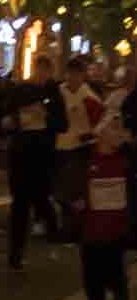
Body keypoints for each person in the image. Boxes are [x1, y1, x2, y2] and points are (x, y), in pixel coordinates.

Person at [67, 111, 133, 300]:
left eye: (123, 128)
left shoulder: (129, 158)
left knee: (113, 270)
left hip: (119, 232)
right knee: (92, 280)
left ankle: (119, 286)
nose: (121, 133)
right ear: (100, 132)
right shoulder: (83, 158)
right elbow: (66, 183)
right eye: (115, 128)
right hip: (91, 232)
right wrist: (74, 199)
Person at [4, 55, 64, 268]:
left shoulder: (54, 93)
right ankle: (15, 252)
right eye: (39, 70)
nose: (41, 75)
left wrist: (46, 115)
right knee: (19, 203)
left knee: (41, 199)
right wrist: (12, 121)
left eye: (45, 71)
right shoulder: (20, 90)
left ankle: (53, 230)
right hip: (20, 154)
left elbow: (62, 124)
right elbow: (7, 116)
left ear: (50, 72)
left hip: (42, 156)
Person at [55, 52, 103, 222]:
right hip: (60, 146)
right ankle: (68, 220)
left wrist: (90, 135)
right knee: (61, 188)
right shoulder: (58, 92)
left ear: (83, 76)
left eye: (77, 74)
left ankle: (76, 223)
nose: (72, 78)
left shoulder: (89, 97)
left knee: (76, 189)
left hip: (80, 148)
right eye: (70, 73)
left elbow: (99, 121)